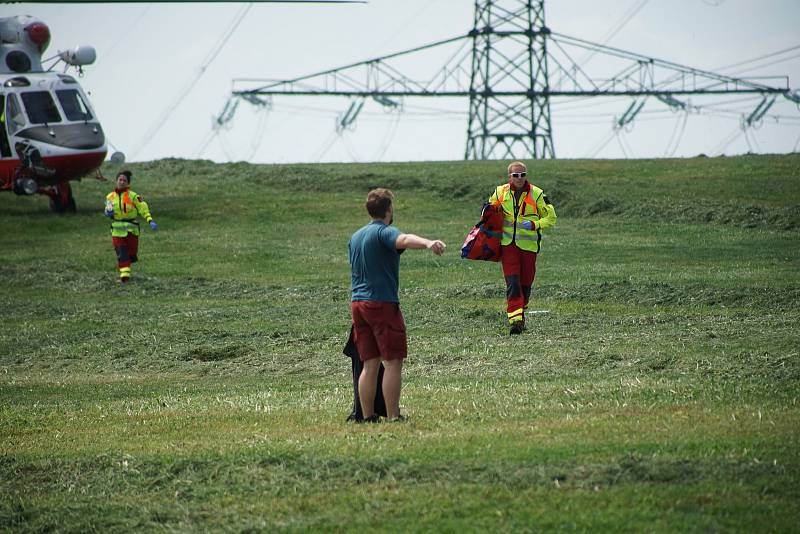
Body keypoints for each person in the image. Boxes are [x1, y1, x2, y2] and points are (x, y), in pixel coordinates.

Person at [348, 188, 446, 422]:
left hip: (358, 304)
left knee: (369, 363)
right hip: (381, 304)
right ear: (389, 210)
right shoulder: (384, 232)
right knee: (393, 361)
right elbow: (403, 239)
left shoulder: (355, 236)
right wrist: (428, 242)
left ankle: (368, 416)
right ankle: (393, 416)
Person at [487, 161, 557, 335]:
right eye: (515, 175)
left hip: (529, 247)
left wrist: (534, 224)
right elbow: (489, 211)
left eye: (522, 175)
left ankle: (521, 312)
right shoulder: (499, 192)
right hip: (508, 246)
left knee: (526, 284)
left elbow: (551, 218)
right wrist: (488, 212)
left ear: (526, 175)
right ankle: (516, 321)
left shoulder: (537, 194)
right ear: (509, 177)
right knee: (513, 283)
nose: (519, 178)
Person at [104, 170, 157, 283]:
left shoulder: (134, 196)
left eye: (124, 180)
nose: (122, 182)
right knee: (122, 253)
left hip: (131, 230)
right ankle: (125, 278)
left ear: (128, 183)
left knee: (131, 254)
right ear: (116, 181)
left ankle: (127, 265)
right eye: (120, 180)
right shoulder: (110, 197)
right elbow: (108, 209)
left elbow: (143, 208)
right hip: (117, 230)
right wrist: (108, 213)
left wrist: (149, 220)